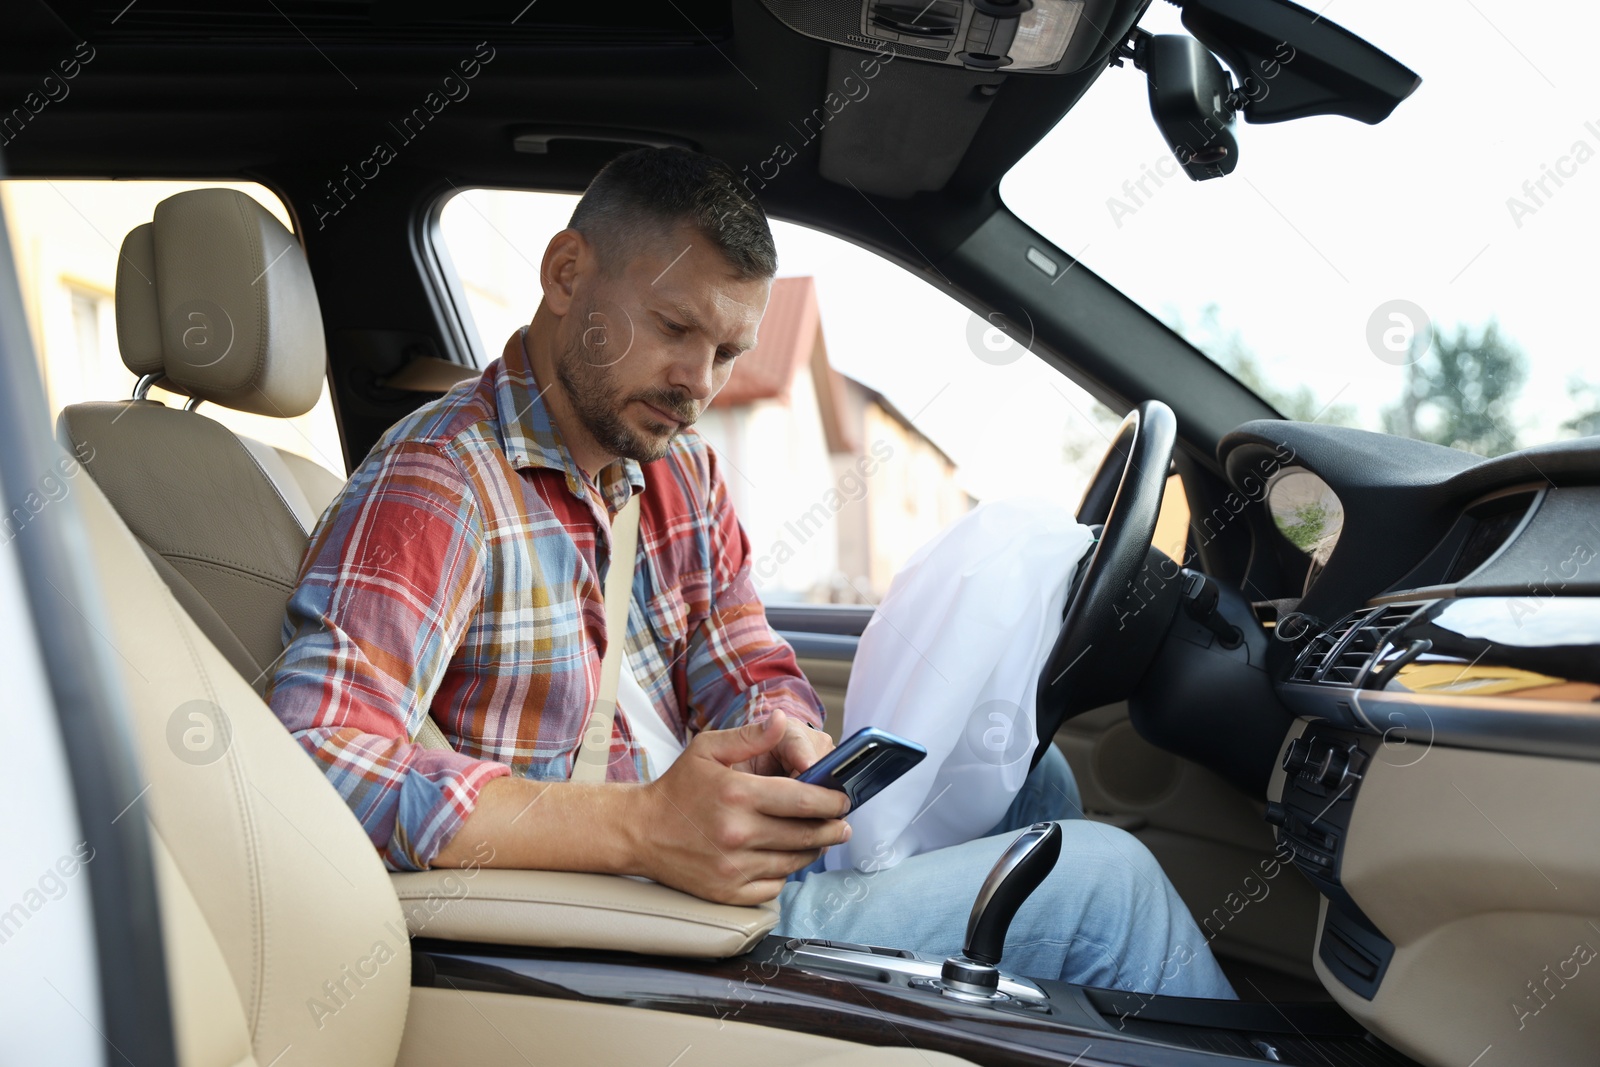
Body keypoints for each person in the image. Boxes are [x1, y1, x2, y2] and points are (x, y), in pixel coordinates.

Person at [265, 146, 1234, 998]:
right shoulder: (439, 484)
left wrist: (787, 735)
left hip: (705, 867)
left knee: (1036, 778)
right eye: (674, 328)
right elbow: (314, 762)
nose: (700, 382)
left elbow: (739, 652)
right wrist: (637, 827)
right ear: (566, 273)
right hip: (618, 924)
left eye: (728, 349)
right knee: (1108, 888)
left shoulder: (673, 465)